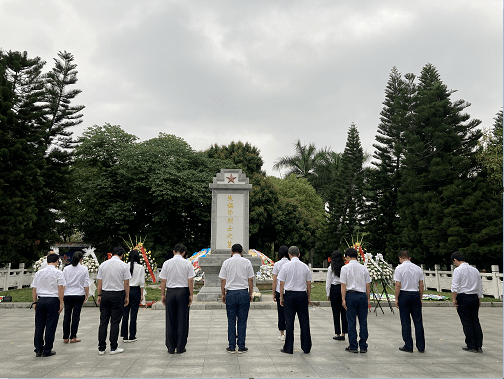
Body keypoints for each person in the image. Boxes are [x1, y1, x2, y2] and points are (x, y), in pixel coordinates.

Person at [159, 243, 195, 354]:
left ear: (174, 251)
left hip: (170, 291)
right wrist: (191, 294)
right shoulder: (187, 264)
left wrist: (163, 295)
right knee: (182, 319)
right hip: (183, 291)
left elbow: (163, 281)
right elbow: (190, 280)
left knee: (170, 319)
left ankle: (170, 346)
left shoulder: (167, 263)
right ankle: (180, 346)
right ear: (184, 252)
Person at [219, 243, 254, 354]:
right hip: (243, 292)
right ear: (242, 252)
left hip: (231, 293)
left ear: (231, 251)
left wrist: (223, 294)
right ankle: (241, 346)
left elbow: (223, 280)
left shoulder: (226, 262)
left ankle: (232, 346)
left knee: (231, 320)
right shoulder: (247, 262)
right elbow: (251, 279)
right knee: (242, 321)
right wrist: (250, 293)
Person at [96, 246, 131, 355]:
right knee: (115, 321)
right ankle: (113, 347)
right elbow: (126, 283)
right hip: (117, 294)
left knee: (103, 321)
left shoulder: (103, 264)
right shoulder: (124, 266)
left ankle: (101, 348)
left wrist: (99, 295)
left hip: (105, 293)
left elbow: (99, 282)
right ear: (122, 255)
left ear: (112, 254)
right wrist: (127, 296)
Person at [278, 245, 312, 354]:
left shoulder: (285, 266)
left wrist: (281, 297)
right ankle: (306, 347)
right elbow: (308, 283)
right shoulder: (305, 266)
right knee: (304, 322)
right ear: (299, 254)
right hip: (302, 295)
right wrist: (308, 297)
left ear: (289, 254)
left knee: (289, 322)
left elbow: (281, 283)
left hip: (290, 295)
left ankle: (288, 348)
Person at [31, 253, 66, 357]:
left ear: (47, 261)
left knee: (39, 325)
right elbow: (61, 288)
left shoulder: (39, 273)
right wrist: (61, 303)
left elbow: (34, 289)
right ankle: (47, 349)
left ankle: (38, 348)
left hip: (41, 300)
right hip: (53, 300)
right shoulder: (58, 273)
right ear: (57, 261)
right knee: (50, 326)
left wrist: (35, 302)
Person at [451, 251, 483, 353]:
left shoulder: (458, 270)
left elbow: (455, 286)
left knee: (466, 322)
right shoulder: (475, 270)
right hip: (474, 297)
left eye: (454, 262)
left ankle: (471, 345)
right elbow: (479, 286)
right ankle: (478, 345)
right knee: (475, 320)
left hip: (463, 297)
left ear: (455, 260)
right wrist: (479, 298)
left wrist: (454, 299)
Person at [340, 247, 371, 353]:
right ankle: (363, 345)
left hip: (351, 296)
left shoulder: (345, 268)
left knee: (351, 321)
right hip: (362, 295)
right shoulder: (364, 268)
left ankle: (353, 345)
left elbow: (343, 285)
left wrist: (343, 299)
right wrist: (368, 298)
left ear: (348, 256)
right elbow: (368, 284)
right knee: (363, 321)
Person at [394, 250, 425, 353]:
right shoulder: (418, 268)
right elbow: (421, 284)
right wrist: (420, 297)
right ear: (409, 258)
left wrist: (396, 298)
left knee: (405, 321)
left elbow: (398, 284)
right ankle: (421, 346)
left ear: (400, 258)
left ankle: (408, 345)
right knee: (418, 321)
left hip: (404, 294)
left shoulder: (399, 268)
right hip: (415, 293)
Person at [62, 251, 90, 344]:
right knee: (76, 316)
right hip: (79, 294)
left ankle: (65, 337)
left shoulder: (66, 269)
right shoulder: (84, 269)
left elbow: (63, 283)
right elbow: (86, 283)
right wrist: (87, 294)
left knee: (67, 316)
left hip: (68, 294)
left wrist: (62, 295)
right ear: (81, 259)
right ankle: (73, 336)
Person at [121, 249, 145, 343]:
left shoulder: (125, 266)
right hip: (136, 290)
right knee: (134, 314)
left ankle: (124, 336)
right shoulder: (140, 267)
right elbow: (142, 282)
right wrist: (142, 294)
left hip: (126, 289)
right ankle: (132, 335)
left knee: (125, 314)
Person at [326, 250, 348, 341]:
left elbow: (328, 282)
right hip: (343, 289)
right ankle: (344, 333)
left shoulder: (331, 268)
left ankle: (338, 333)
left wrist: (328, 293)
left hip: (334, 289)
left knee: (335, 312)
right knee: (344, 312)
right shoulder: (345, 267)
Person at [272, 245, 290, 341]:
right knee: (289, 313)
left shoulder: (277, 264)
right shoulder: (291, 263)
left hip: (280, 291)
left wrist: (273, 292)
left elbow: (275, 280)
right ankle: (289, 332)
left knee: (281, 313)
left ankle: (282, 333)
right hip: (290, 291)